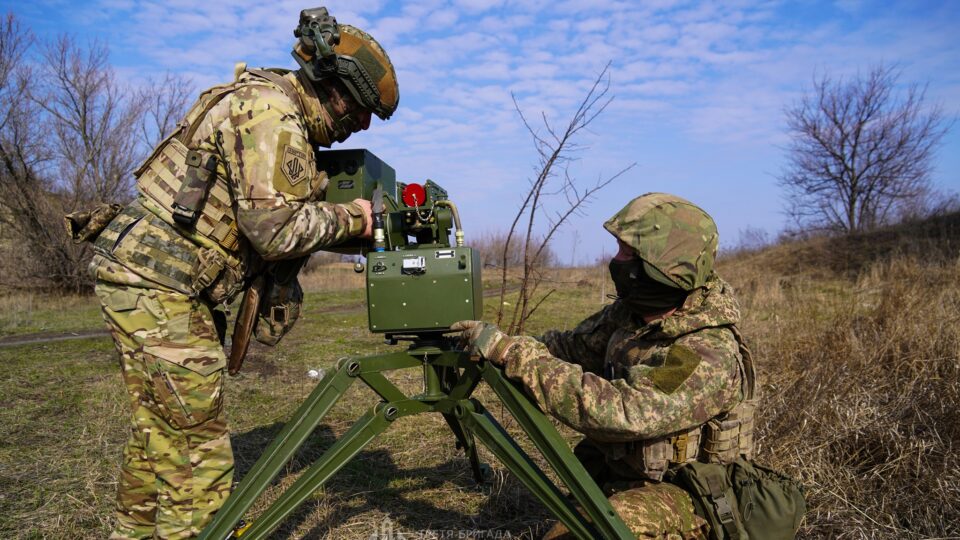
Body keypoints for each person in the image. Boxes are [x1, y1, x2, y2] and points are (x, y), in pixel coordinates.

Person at [83, 8, 399, 539]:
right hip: (160, 285)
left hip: (148, 278)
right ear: (331, 84)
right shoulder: (273, 114)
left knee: (158, 432)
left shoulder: (268, 104)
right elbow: (273, 231)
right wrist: (356, 218)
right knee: (194, 447)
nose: (361, 124)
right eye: (360, 109)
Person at [453, 193, 757, 539]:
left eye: (628, 253)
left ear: (664, 267)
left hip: (689, 493)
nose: (616, 261)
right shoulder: (632, 316)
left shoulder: (707, 352)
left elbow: (623, 412)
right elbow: (569, 347)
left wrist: (516, 355)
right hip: (621, 476)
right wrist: (501, 345)